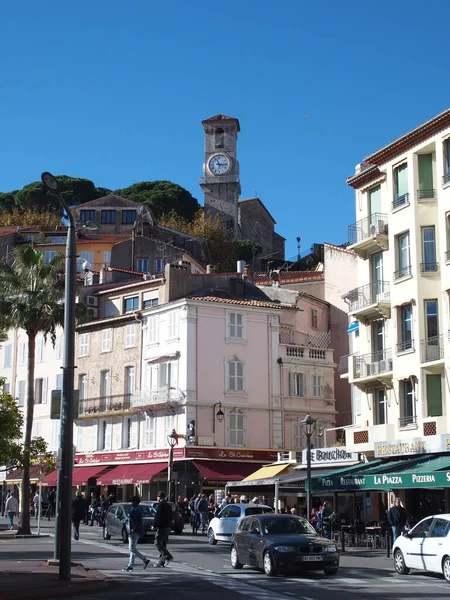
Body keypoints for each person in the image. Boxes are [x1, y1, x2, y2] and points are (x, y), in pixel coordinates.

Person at [122, 496, 150, 572]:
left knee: (131, 548)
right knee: (132, 548)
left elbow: (135, 522)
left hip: (134, 531)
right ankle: (130, 565)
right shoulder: (134, 509)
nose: (131, 503)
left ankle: (144, 559)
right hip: (134, 531)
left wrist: (132, 531)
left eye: (132, 501)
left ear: (135, 502)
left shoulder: (136, 510)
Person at [154, 490, 174, 567]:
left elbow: (157, 516)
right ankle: (161, 562)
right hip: (168, 527)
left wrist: (155, 525)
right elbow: (171, 516)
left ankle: (168, 556)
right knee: (163, 544)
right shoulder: (168, 505)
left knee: (157, 543)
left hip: (161, 527)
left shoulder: (160, 505)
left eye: (157, 497)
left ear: (159, 498)